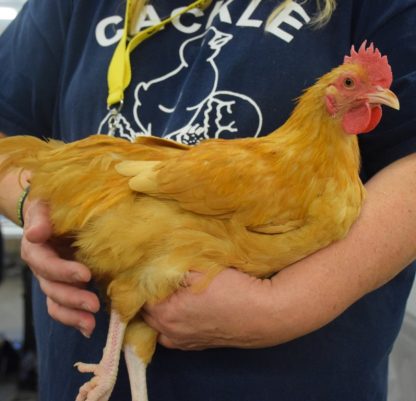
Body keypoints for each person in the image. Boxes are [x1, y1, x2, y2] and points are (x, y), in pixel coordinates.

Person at [0, 0, 415, 400]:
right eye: (348, 84)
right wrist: (39, 207)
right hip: (87, 335)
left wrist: (286, 307)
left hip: (288, 382)